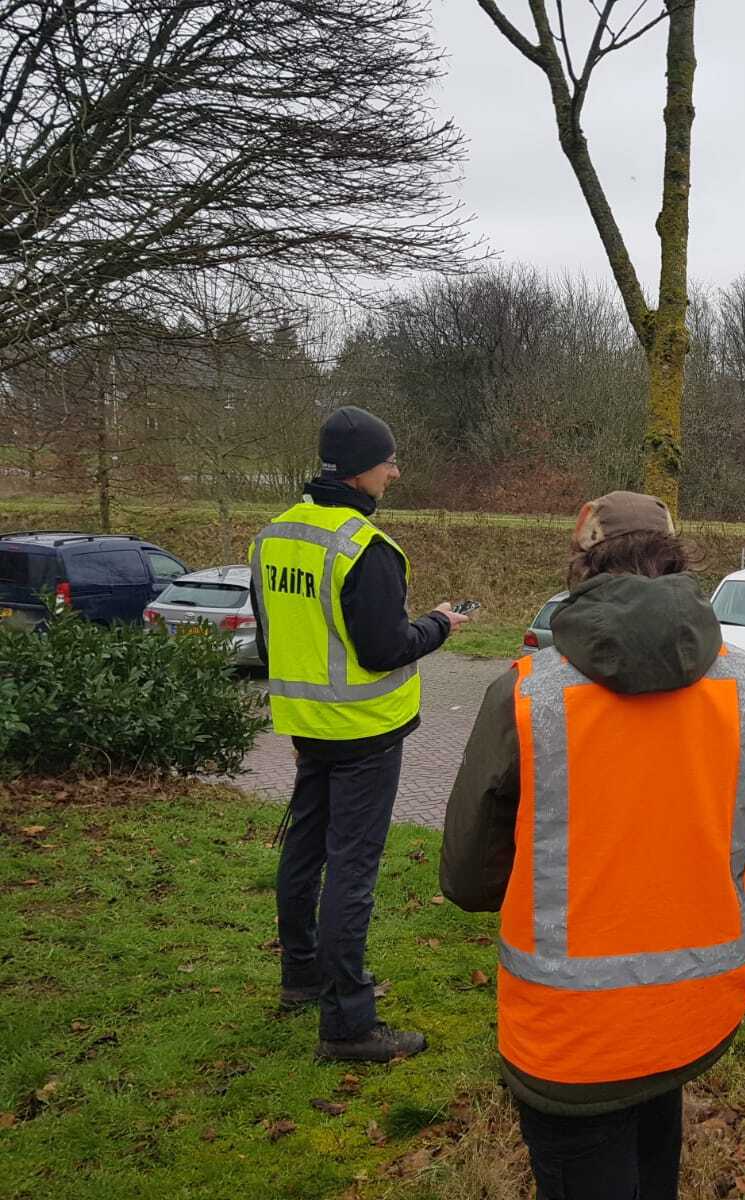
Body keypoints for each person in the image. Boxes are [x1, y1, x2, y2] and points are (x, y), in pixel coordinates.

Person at [439, 491, 745, 1200]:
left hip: (567, 1043)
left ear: (581, 565)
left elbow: (468, 881)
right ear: (677, 561)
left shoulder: (526, 695)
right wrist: (740, 952)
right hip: (691, 1023)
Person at [249, 405, 471, 1063]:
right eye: (389, 461)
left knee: (305, 850)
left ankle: (301, 977)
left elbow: (268, 639)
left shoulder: (273, 537)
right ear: (360, 471)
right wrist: (438, 625)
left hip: (304, 724)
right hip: (366, 732)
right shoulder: (363, 548)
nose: (395, 472)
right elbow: (385, 649)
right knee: (353, 869)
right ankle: (347, 1022)